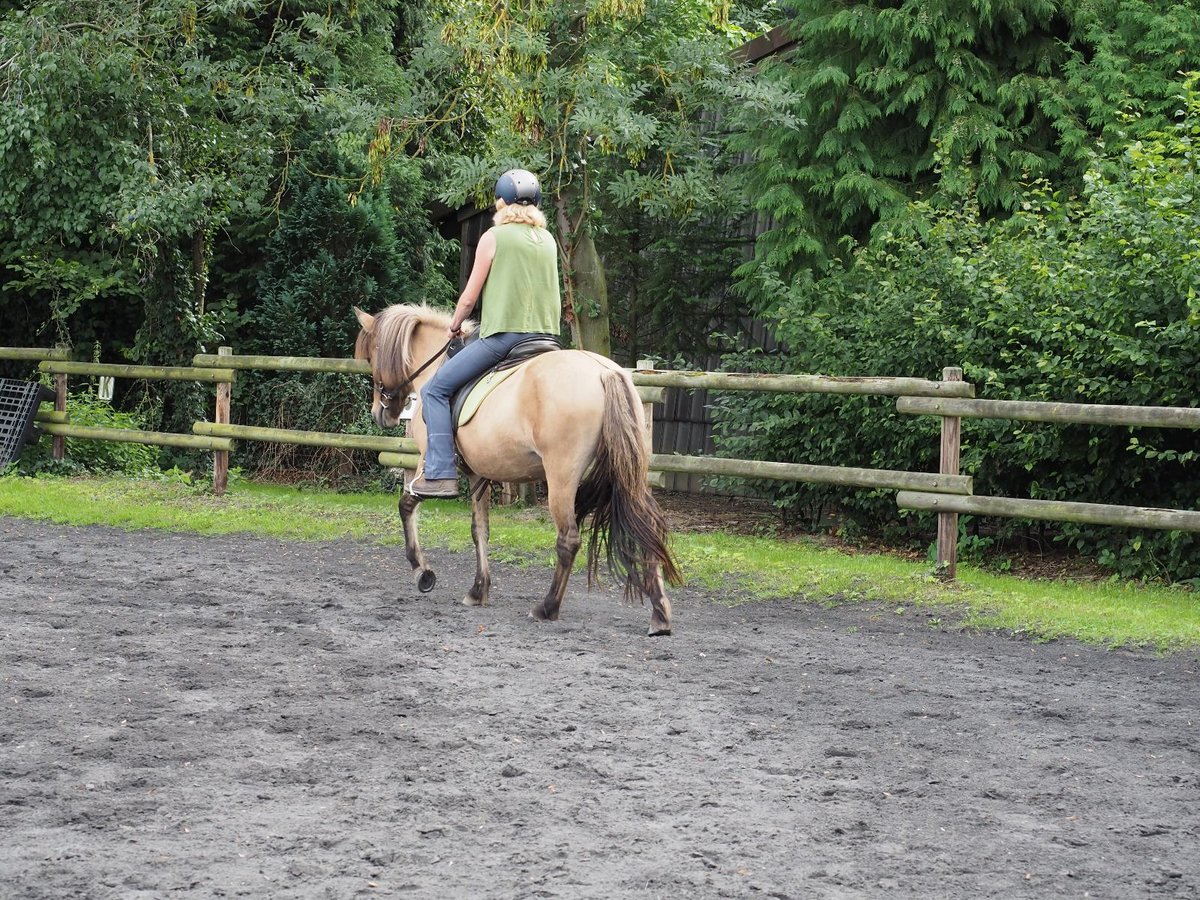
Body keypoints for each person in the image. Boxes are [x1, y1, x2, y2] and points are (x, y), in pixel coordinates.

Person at [408, 168, 563, 498]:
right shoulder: (548, 240)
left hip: (504, 339)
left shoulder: (494, 238)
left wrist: (453, 326)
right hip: (547, 340)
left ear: (502, 203)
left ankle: (439, 472)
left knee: (434, 391)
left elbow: (469, 297)